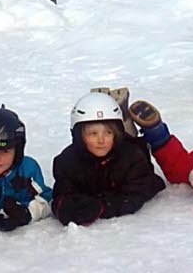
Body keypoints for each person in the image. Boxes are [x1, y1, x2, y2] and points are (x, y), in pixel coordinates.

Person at [51, 92, 165, 226]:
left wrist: (103, 206)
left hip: (126, 151)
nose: (101, 140)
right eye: (93, 134)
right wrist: (68, 209)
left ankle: (128, 125)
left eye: (108, 133)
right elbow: (61, 195)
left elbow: (138, 192)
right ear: (79, 136)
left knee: (133, 142)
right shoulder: (66, 162)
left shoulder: (132, 157)